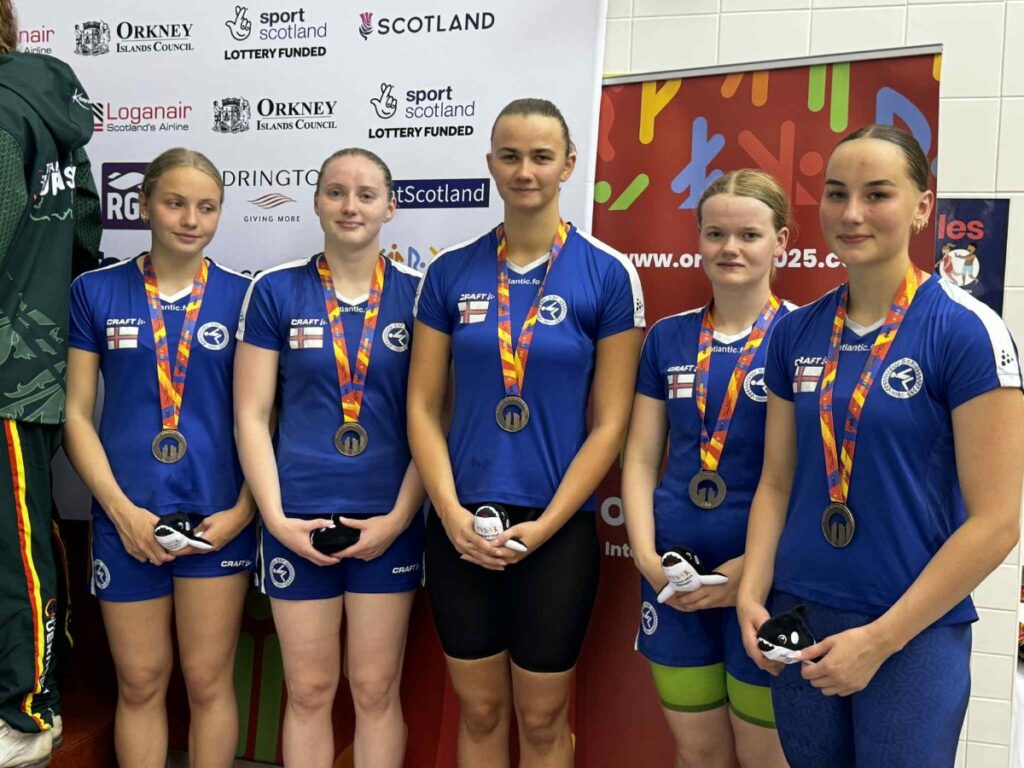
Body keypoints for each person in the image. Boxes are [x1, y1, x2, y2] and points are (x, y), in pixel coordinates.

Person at [737, 124, 1024, 767]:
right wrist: (753, 594)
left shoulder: (966, 331)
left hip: (910, 632)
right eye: (837, 193)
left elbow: (997, 522)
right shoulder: (795, 333)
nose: (852, 213)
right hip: (801, 616)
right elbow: (777, 482)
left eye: (877, 194)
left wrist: (881, 639)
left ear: (923, 207)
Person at [408, 97, 645, 767]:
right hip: (461, 526)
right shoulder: (449, 271)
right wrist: (450, 513)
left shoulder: (607, 273)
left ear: (568, 165)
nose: (525, 171)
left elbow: (611, 425)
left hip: (556, 530)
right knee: (480, 710)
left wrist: (543, 528)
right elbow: (422, 406)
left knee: (542, 720)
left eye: (541, 157)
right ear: (490, 163)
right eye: (510, 156)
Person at [63, 148, 254, 768]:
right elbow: (75, 416)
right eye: (175, 203)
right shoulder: (94, 291)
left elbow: (266, 422)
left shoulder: (246, 297)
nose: (191, 220)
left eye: (207, 207)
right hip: (127, 520)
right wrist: (121, 514)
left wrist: (243, 512)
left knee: (207, 682)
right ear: (143, 205)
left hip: (217, 521)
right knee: (141, 683)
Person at [234, 148, 424, 768]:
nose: (350, 206)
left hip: (387, 521)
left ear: (390, 208)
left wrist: (398, 519)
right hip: (296, 521)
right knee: (310, 691)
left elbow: (435, 421)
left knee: (375, 690)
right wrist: (275, 519)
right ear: (316, 201)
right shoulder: (275, 291)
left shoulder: (419, 296)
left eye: (367, 195)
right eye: (336, 192)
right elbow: (251, 416)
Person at [622, 170, 791, 768]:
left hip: (766, 582)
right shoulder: (667, 338)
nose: (730, 248)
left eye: (749, 234)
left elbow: (807, 478)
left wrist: (748, 575)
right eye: (716, 233)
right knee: (698, 754)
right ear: (698, 238)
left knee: (766, 758)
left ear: (781, 243)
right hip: (674, 577)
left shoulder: (801, 336)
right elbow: (641, 457)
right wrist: (646, 557)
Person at [0, 1, 102, 764]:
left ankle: (28, 714)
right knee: (25, 537)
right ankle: (38, 692)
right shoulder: (48, 105)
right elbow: (83, 237)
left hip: (6, 374)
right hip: (30, 363)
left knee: (14, 548)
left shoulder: (6, 110)